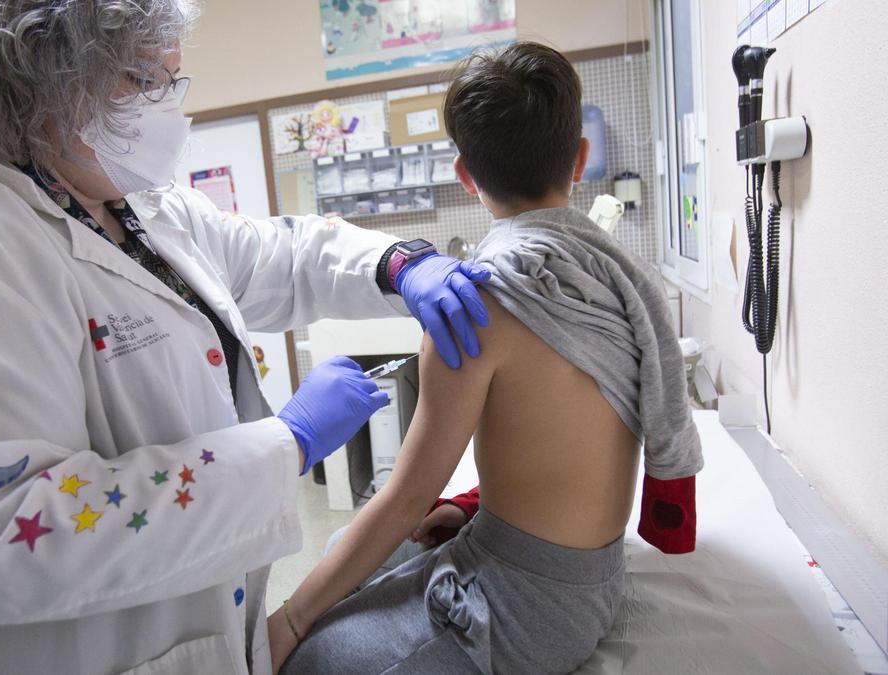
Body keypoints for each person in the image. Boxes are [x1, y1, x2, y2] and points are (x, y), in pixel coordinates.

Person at [0, 2, 491, 673]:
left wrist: (397, 264)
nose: (172, 102)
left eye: (172, 77)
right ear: (45, 76)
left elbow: (279, 255)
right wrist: (287, 446)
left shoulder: (138, 208)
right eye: (144, 77)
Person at [270, 42, 704, 674]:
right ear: (579, 158)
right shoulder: (613, 279)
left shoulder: (470, 308)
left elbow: (403, 499)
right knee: (346, 547)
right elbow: (567, 443)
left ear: (464, 174)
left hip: (530, 601)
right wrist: (470, 505)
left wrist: (289, 619)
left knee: (319, 655)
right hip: (584, 575)